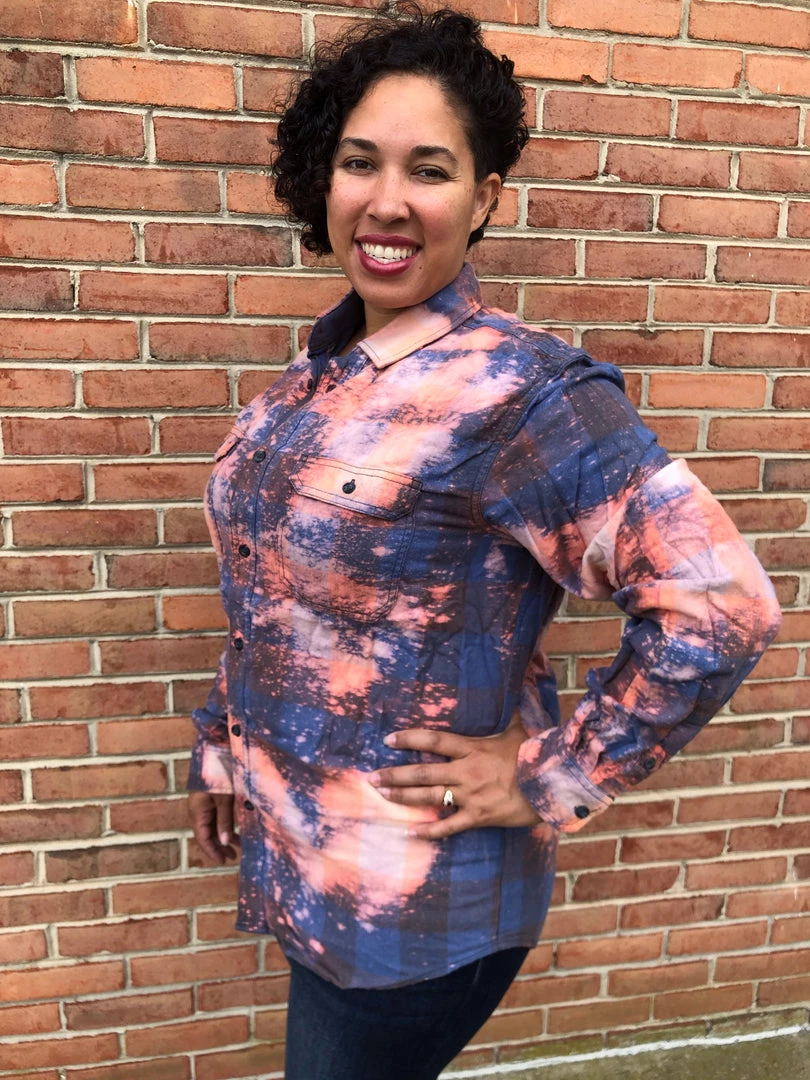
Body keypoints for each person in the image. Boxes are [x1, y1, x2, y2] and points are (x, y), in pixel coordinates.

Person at [187, 4, 782, 1077]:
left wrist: (557, 771)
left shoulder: (526, 395)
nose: (387, 200)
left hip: (415, 910)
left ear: (485, 198)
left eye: (430, 170)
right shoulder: (306, 386)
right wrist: (222, 747)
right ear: (324, 182)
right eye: (360, 163)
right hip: (301, 857)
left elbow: (721, 603)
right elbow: (268, 597)